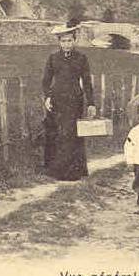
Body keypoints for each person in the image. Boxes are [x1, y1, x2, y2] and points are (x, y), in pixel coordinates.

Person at [42, 20, 97, 182]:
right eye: (63, 41)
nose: (66, 44)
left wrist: (91, 103)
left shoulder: (81, 58)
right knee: (56, 134)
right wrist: (47, 97)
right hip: (56, 101)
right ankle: (54, 171)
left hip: (74, 101)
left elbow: (87, 82)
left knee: (72, 135)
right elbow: (46, 81)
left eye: (69, 40)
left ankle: (73, 172)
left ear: (74, 41)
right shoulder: (53, 58)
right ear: (59, 42)